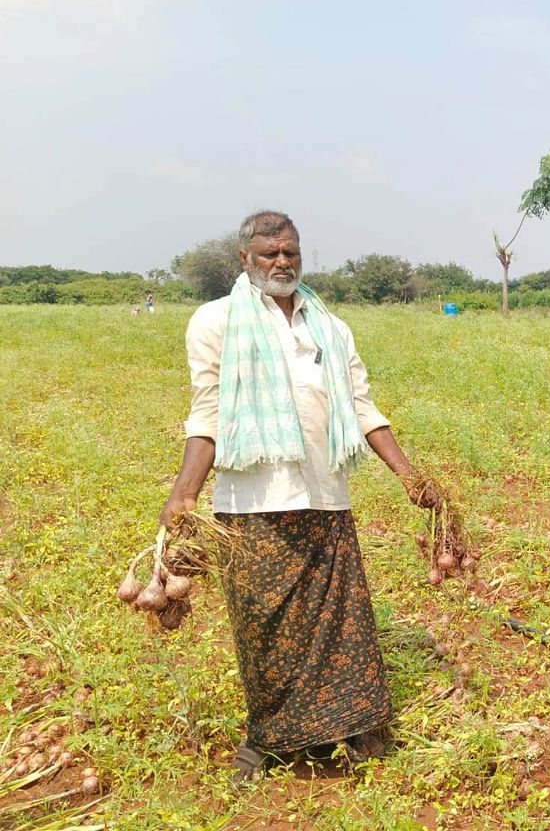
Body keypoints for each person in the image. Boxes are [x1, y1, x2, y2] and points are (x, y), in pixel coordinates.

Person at [159, 210, 438, 783]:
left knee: (343, 620)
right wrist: (184, 491)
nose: (282, 263)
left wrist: (408, 475)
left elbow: (361, 407)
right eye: (269, 254)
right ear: (245, 259)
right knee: (265, 623)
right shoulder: (215, 322)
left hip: (326, 494)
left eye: (290, 252)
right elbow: (207, 410)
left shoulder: (329, 326)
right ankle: (266, 740)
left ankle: (357, 725)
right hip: (252, 499)